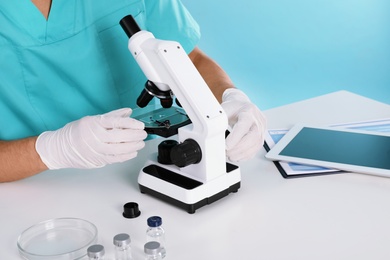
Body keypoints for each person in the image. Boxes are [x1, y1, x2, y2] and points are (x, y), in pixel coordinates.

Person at [0, 0, 266, 182]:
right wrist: (53, 150)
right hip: (33, 184)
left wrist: (231, 99)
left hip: (148, 161)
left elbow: (187, 59)